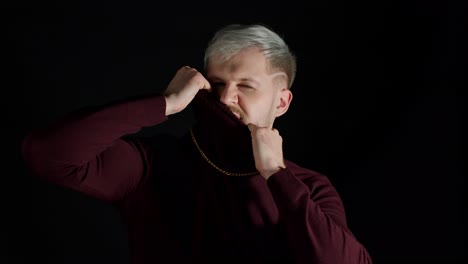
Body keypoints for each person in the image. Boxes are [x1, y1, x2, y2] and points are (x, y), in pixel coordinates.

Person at [21, 23, 373, 263]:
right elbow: (47, 153)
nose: (226, 98)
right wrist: (165, 104)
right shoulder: (152, 165)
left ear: (281, 102)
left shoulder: (309, 187)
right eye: (217, 84)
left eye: (246, 86)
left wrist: (276, 174)